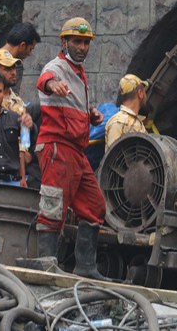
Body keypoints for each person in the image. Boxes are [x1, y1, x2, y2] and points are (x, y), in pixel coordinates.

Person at [34, 17, 109, 280]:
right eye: (77, 41)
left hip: (76, 152)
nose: (82, 47)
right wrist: (52, 85)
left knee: (95, 205)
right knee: (53, 206)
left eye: (86, 43)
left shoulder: (79, 73)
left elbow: (71, 106)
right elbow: (45, 79)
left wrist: (90, 114)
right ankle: (46, 264)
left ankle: (86, 267)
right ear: (64, 42)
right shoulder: (57, 67)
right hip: (58, 147)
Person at [105, 74, 150, 150]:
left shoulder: (135, 121)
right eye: (144, 92)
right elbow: (113, 157)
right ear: (140, 93)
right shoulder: (118, 122)